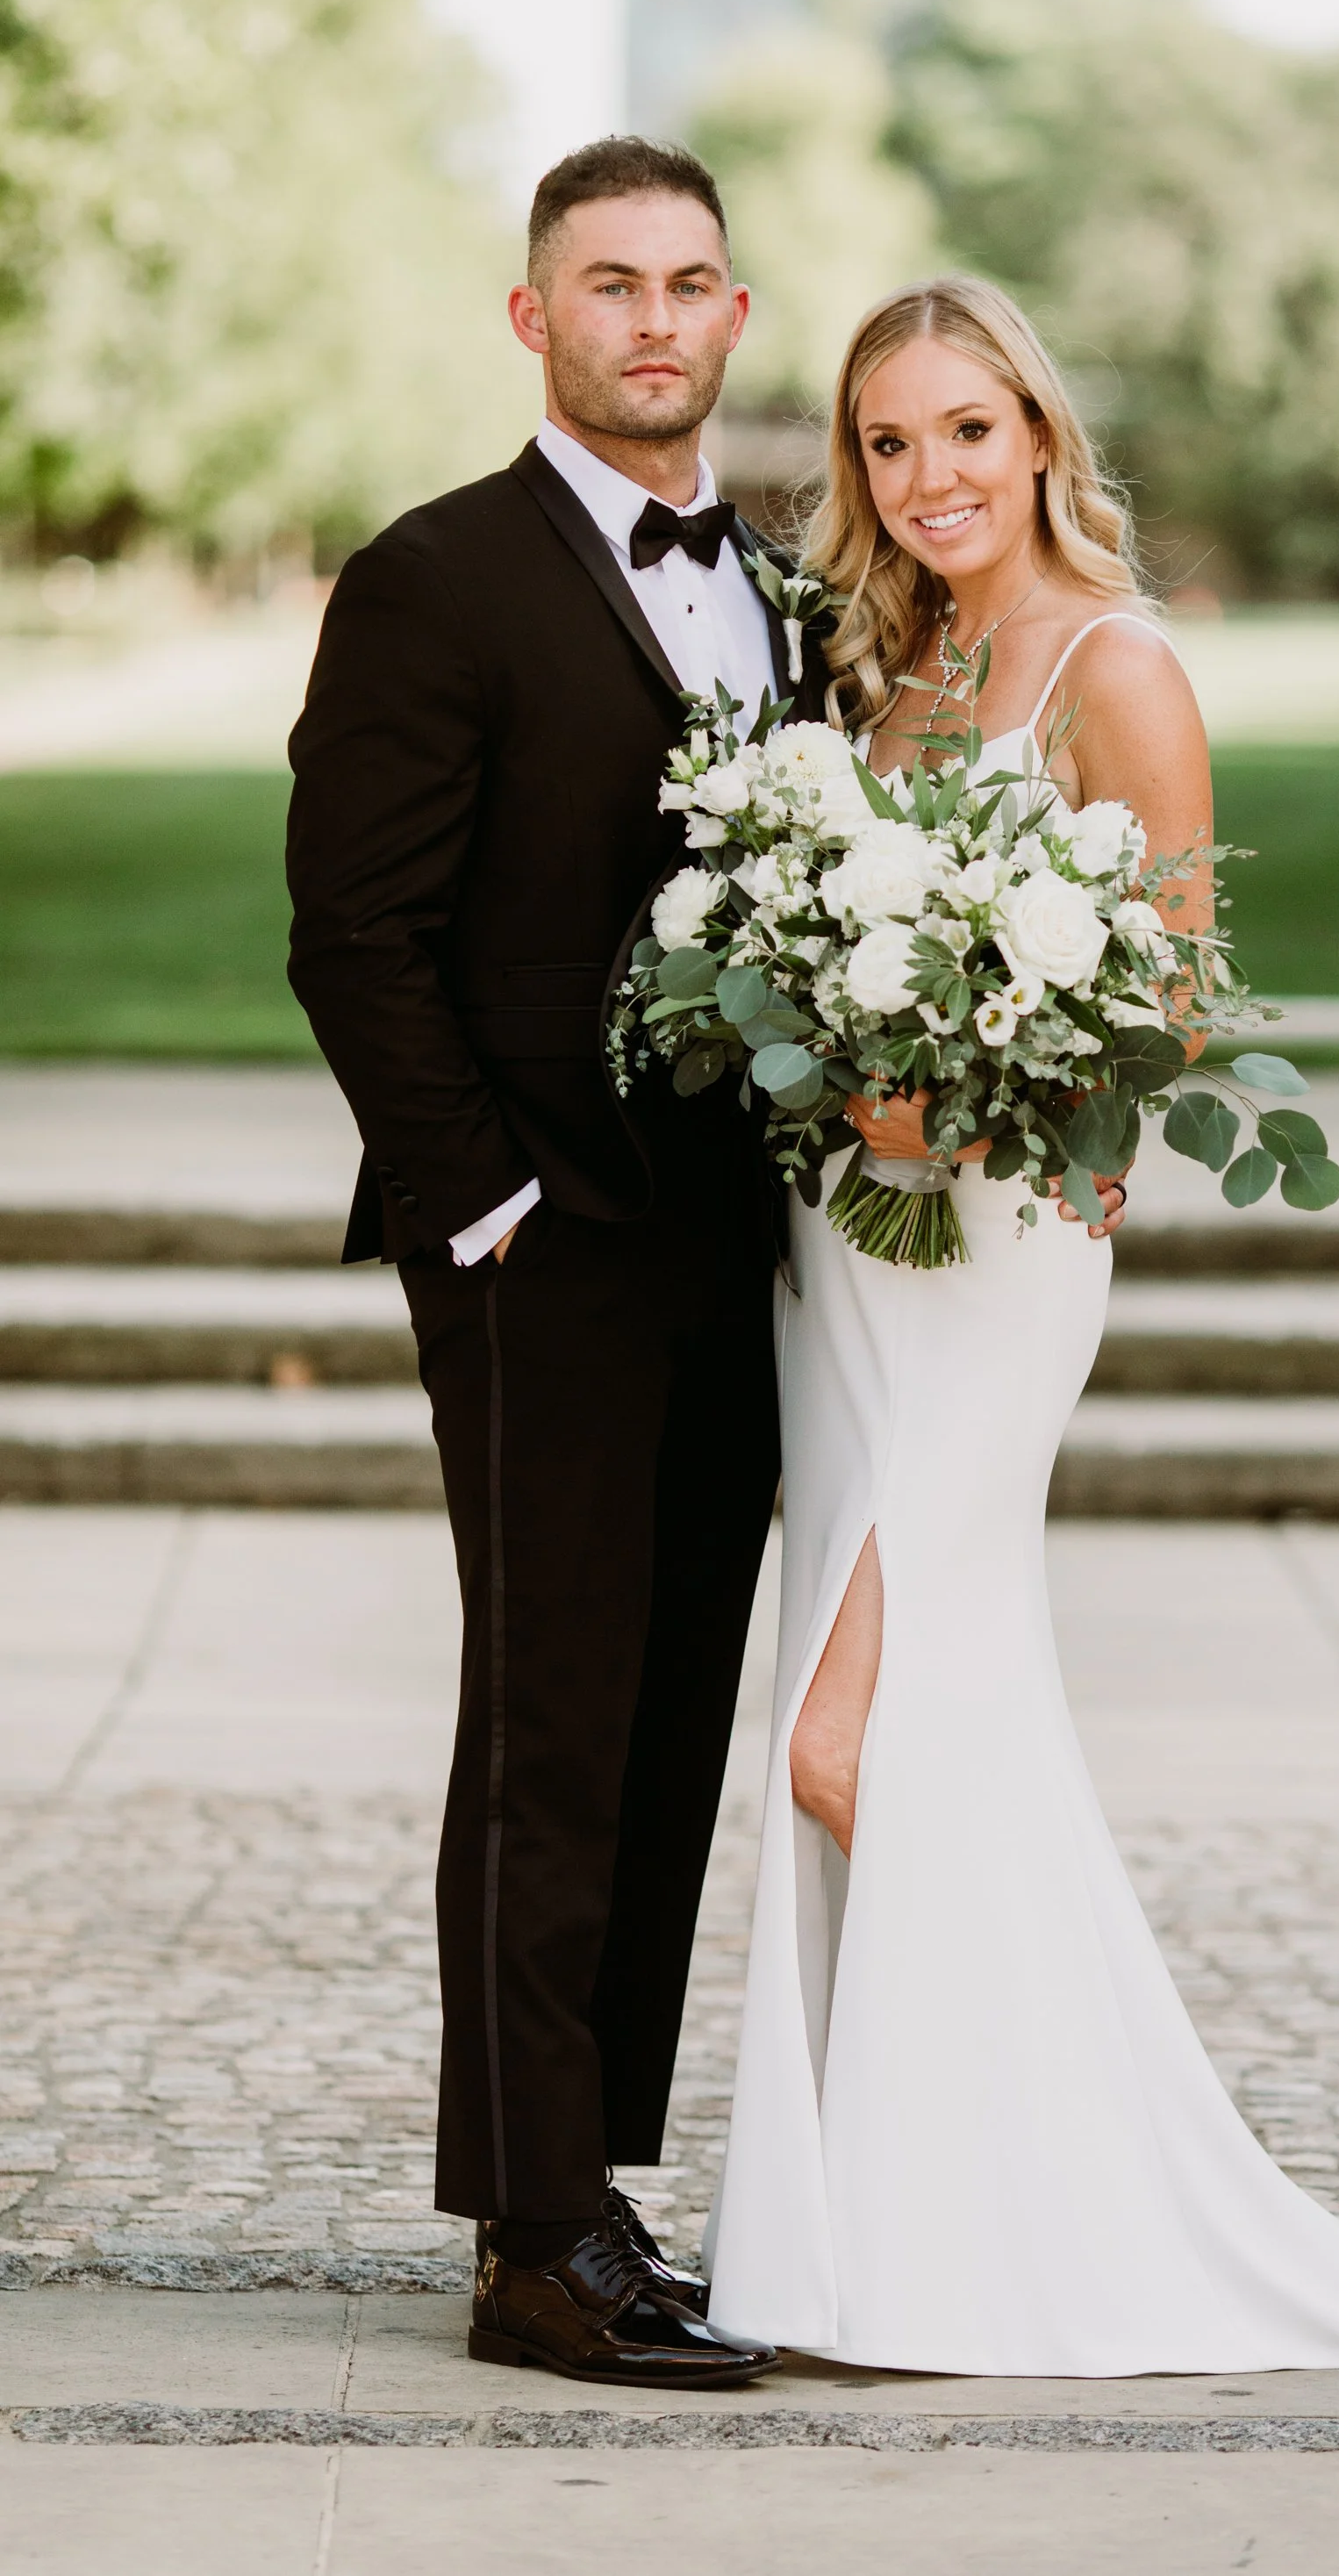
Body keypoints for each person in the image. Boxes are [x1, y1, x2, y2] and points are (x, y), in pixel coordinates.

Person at [702, 275, 1339, 2375]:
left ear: (1035, 431)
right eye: (887, 442)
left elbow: (1174, 996)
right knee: (892, 1721)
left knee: (860, 1731)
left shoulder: (1119, 664)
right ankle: (915, 2223)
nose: (927, 476)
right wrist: (838, 1072)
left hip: (996, 1252)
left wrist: (944, 1091)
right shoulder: (886, 672)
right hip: (842, 1249)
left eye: (961, 429)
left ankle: (1052, 2196)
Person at [286, 137, 801, 2389]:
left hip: (736, 1251)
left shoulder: (776, 591)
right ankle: (525, 2240)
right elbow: (355, 936)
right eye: (611, 283)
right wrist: (478, 1201)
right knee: (550, 1733)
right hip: (538, 1252)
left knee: (672, 1714)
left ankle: (597, 2188)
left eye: (691, 281)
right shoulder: (434, 580)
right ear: (535, 320)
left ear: (734, 316)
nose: (655, 319)